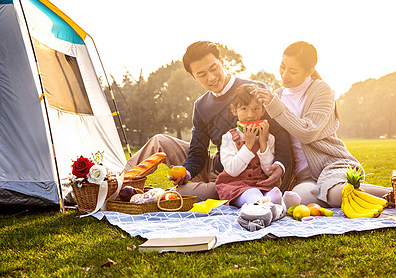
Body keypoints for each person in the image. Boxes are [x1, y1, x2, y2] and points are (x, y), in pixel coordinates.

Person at [122, 41, 293, 201]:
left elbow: (281, 131)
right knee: (159, 140)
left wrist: (280, 164)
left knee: (181, 195)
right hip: (217, 163)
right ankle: (117, 185)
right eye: (202, 74)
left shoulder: (254, 89)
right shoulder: (201, 106)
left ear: (222, 62)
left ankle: (162, 195)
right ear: (193, 77)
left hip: (248, 172)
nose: (211, 78)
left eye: (214, 68)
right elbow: (198, 151)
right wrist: (187, 173)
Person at [252, 41, 392, 207]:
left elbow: (308, 132)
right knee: (294, 200)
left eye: (293, 71)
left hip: (332, 165)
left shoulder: (321, 90)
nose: (284, 75)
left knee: (334, 194)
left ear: (309, 71)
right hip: (305, 177)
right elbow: (278, 140)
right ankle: (340, 193)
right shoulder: (278, 96)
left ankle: (394, 195)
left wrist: (275, 105)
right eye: (283, 67)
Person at [215, 84, 283, 208]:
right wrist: (249, 145)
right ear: (234, 110)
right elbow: (232, 170)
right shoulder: (229, 138)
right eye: (244, 109)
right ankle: (265, 203)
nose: (250, 115)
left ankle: (271, 203)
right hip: (236, 187)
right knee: (252, 193)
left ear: (263, 111)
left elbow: (268, 171)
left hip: (262, 185)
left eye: (256, 109)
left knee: (272, 193)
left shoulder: (269, 138)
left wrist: (263, 143)